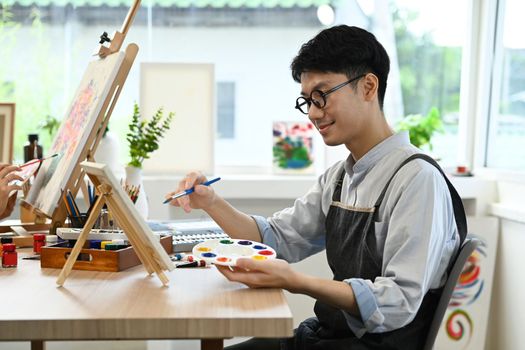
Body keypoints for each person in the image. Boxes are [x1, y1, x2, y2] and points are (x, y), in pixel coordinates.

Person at [166, 25, 466, 350]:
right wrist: (210, 202)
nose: (312, 112)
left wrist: (298, 282)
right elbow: (274, 239)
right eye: (307, 100)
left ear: (368, 86)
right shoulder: (338, 178)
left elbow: (398, 301)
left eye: (321, 95)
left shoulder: (416, 179)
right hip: (325, 337)